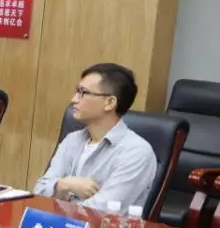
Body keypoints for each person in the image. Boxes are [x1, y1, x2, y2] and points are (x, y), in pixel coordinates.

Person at [34, 63, 158, 210]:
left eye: (83, 92)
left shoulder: (136, 152)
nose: (74, 99)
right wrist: (65, 184)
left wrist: (59, 197)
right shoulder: (72, 140)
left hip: (100, 226)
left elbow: (102, 210)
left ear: (110, 103)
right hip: (56, 221)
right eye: (77, 91)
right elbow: (39, 191)